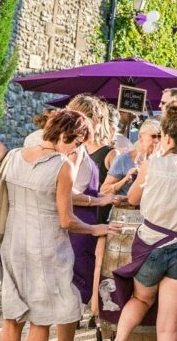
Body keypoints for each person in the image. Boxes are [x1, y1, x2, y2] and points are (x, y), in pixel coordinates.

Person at [0, 109, 115, 341]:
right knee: (40, 320)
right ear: (65, 135)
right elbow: (66, 220)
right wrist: (94, 229)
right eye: (77, 143)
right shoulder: (62, 166)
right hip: (45, 250)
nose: (75, 150)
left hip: (12, 245)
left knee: (12, 319)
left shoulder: (13, 155)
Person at [112, 103, 177, 341]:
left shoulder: (151, 165)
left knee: (141, 299)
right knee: (169, 328)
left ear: (166, 136)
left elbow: (132, 199)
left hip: (151, 248)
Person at [66, 94, 119, 303]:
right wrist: (98, 200)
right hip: (78, 223)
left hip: (89, 221)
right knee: (78, 280)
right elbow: (66, 193)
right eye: (100, 118)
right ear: (93, 119)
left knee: (84, 277)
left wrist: (108, 197)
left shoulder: (82, 149)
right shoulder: (74, 151)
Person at [101, 118, 161, 197]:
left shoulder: (162, 161)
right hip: (126, 204)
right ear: (140, 137)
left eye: (160, 137)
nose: (157, 140)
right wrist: (125, 180)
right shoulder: (123, 160)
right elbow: (104, 191)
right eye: (153, 136)